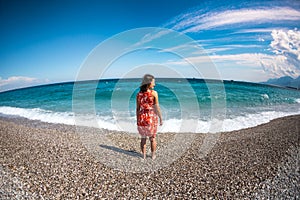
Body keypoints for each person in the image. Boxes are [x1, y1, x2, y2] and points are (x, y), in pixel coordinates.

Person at [136, 74, 163, 159]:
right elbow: (157, 107)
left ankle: (143, 156)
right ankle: (153, 155)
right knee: (152, 138)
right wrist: (161, 118)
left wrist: (137, 120)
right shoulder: (154, 93)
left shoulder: (139, 94)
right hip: (151, 117)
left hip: (142, 117)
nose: (154, 84)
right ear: (149, 83)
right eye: (153, 82)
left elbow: (137, 109)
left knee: (143, 138)